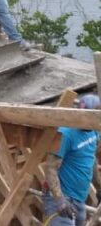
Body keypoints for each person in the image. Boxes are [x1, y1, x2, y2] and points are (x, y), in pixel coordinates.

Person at [43, 94, 101, 226]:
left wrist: (99, 187)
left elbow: (91, 159)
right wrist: (60, 200)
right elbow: (51, 167)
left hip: (79, 198)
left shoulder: (94, 131)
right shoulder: (65, 134)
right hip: (62, 198)